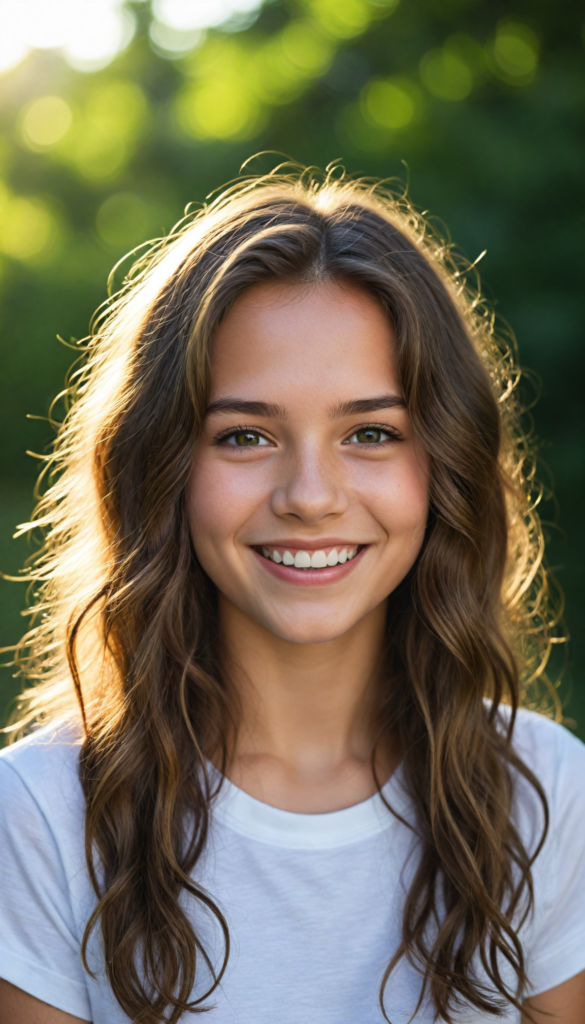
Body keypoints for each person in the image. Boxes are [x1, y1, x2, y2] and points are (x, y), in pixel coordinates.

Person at [0, 170, 584, 1024]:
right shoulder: (42, 816)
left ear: (444, 467)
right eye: (245, 435)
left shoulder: (545, 794)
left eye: (371, 433)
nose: (310, 494)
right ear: (162, 468)